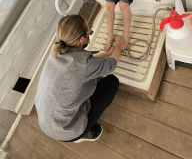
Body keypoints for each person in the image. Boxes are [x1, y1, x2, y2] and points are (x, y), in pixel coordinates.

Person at [34, 14, 124, 143]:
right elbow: (112, 63)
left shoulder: (56, 51)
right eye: (89, 33)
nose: (90, 34)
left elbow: (79, 63)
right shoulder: (84, 66)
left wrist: (105, 54)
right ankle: (83, 134)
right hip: (65, 130)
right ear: (81, 40)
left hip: (45, 121)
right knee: (112, 82)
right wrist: (119, 45)